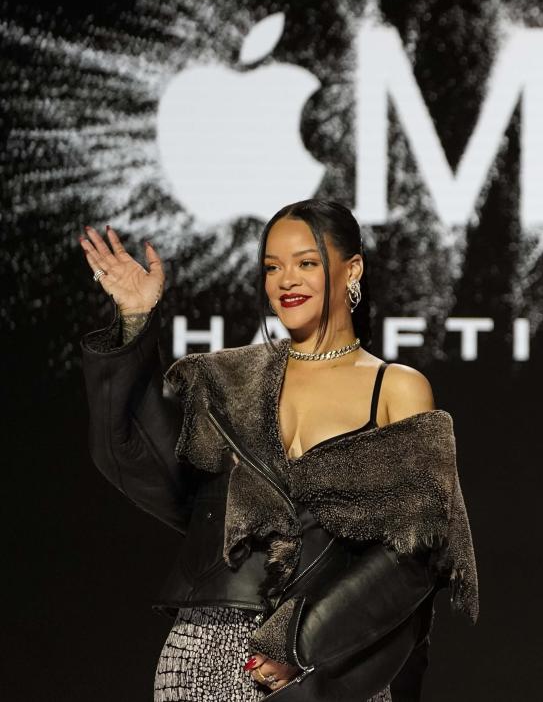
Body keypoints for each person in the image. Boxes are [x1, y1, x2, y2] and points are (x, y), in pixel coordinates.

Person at [78, 199, 479, 701]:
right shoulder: (226, 380)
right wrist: (136, 320)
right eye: (272, 267)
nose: (286, 280)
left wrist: (304, 645)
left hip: (325, 661)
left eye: (306, 263)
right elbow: (134, 456)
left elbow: (417, 547)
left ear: (351, 268)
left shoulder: (395, 387)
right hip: (206, 655)